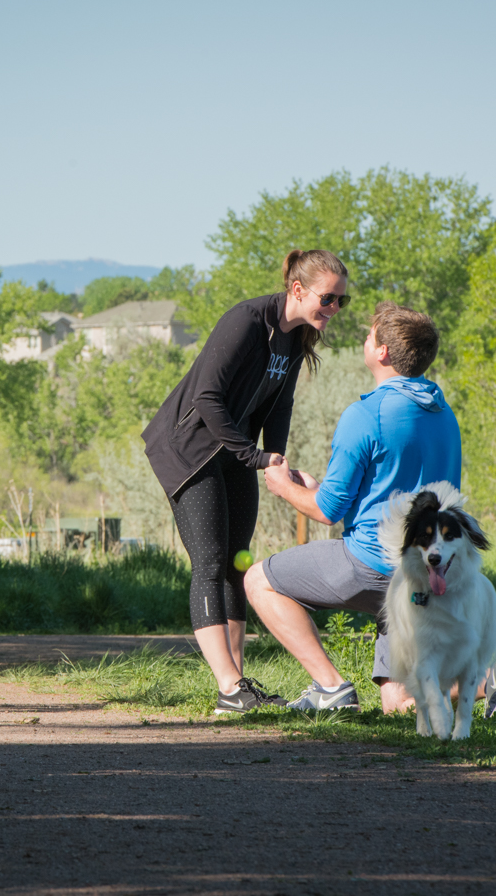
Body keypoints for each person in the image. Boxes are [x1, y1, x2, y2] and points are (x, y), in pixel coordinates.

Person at [245, 302, 496, 714]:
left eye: (369, 334)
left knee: (259, 581)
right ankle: (491, 682)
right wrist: (319, 488)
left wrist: (283, 486)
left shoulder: (365, 415)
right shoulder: (443, 414)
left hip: (372, 567)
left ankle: (330, 687)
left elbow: (327, 512)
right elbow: (396, 488)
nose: (365, 339)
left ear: (382, 352)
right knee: (398, 702)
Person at [142, 249, 351, 714]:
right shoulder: (246, 321)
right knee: (210, 562)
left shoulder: (296, 337)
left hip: (235, 452)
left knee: (237, 563)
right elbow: (206, 397)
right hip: (189, 449)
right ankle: (228, 687)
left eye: (342, 300)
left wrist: (276, 460)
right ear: (298, 290)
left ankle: (239, 686)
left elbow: (279, 407)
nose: (335, 308)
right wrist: (254, 456)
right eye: (328, 298)